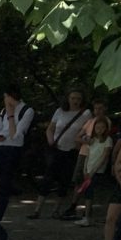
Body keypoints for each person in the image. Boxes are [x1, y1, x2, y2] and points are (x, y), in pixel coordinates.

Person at [0, 85, 35, 222]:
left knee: (5, 184)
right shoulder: (3, 111)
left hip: (13, 150)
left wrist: (10, 114)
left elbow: (15, 134)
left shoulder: (27, 111)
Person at [31, 87, 90, 219]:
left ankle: (56, 210)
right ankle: (37, 209)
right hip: (56, 149)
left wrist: (80, 143)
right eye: (73, 98)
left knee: (65, 180)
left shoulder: (85, 114)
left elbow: (88, 132)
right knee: (48, 178)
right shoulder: (60, 111)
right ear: (68, 99)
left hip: (72, 152)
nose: (75, 101)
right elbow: (50, 129)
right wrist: (51, 141)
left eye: (78, 99)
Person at [73, 115, 115, 227]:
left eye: (102, 127)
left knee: (92, 193)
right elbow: (88, 155)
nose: (99, 130)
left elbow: (104, 157)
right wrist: (85, 169)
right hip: (89, 170)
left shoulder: (108, 140)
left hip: (98, 171)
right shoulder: (92, 141)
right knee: (88, 193)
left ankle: (89, 217)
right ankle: (87, 216)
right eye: (97, 128)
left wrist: (94, 170)